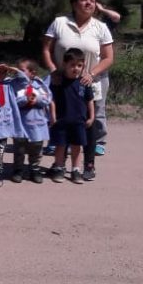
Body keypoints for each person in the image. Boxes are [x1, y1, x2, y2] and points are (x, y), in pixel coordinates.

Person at [42, 0, 115, 166]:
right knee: (62, 117)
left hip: (91, 81)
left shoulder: (100, 27)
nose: (88, 3)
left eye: (92, 0)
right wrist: (53, 71)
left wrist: (91, 74)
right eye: (84, 0)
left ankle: (88, 165)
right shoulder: (60, 22)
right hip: (62, 82)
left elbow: (108, 57)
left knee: (91, 119)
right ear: (75, 4)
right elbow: (46, 49)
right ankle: (59, 163)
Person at [48, 48, 95, 184]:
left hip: (79, 121)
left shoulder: (84, 83)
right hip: (61, 120)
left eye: (79, 65)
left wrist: (91, 117)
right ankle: (58, 167)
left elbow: (89, 100)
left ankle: (76, 170)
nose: (76, 68)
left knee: (76, 147)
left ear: (83, 66)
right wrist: (52, 116)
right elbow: (51, 100)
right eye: (72, 65)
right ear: (64, 65)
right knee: (60, 146)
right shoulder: (58, 81)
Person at [11, 59, 52, 184]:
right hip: (21, 125)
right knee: (19, 149)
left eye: (22, 70)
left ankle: (34, 169)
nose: (18, 73)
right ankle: (18, 170)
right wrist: (25, 100)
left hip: (37, 124)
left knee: (36, 149)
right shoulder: (14, 85)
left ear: (32, 73)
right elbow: (11, 102)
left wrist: (37, 100)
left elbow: (48, 98)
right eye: (17, 70)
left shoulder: (39, 84)